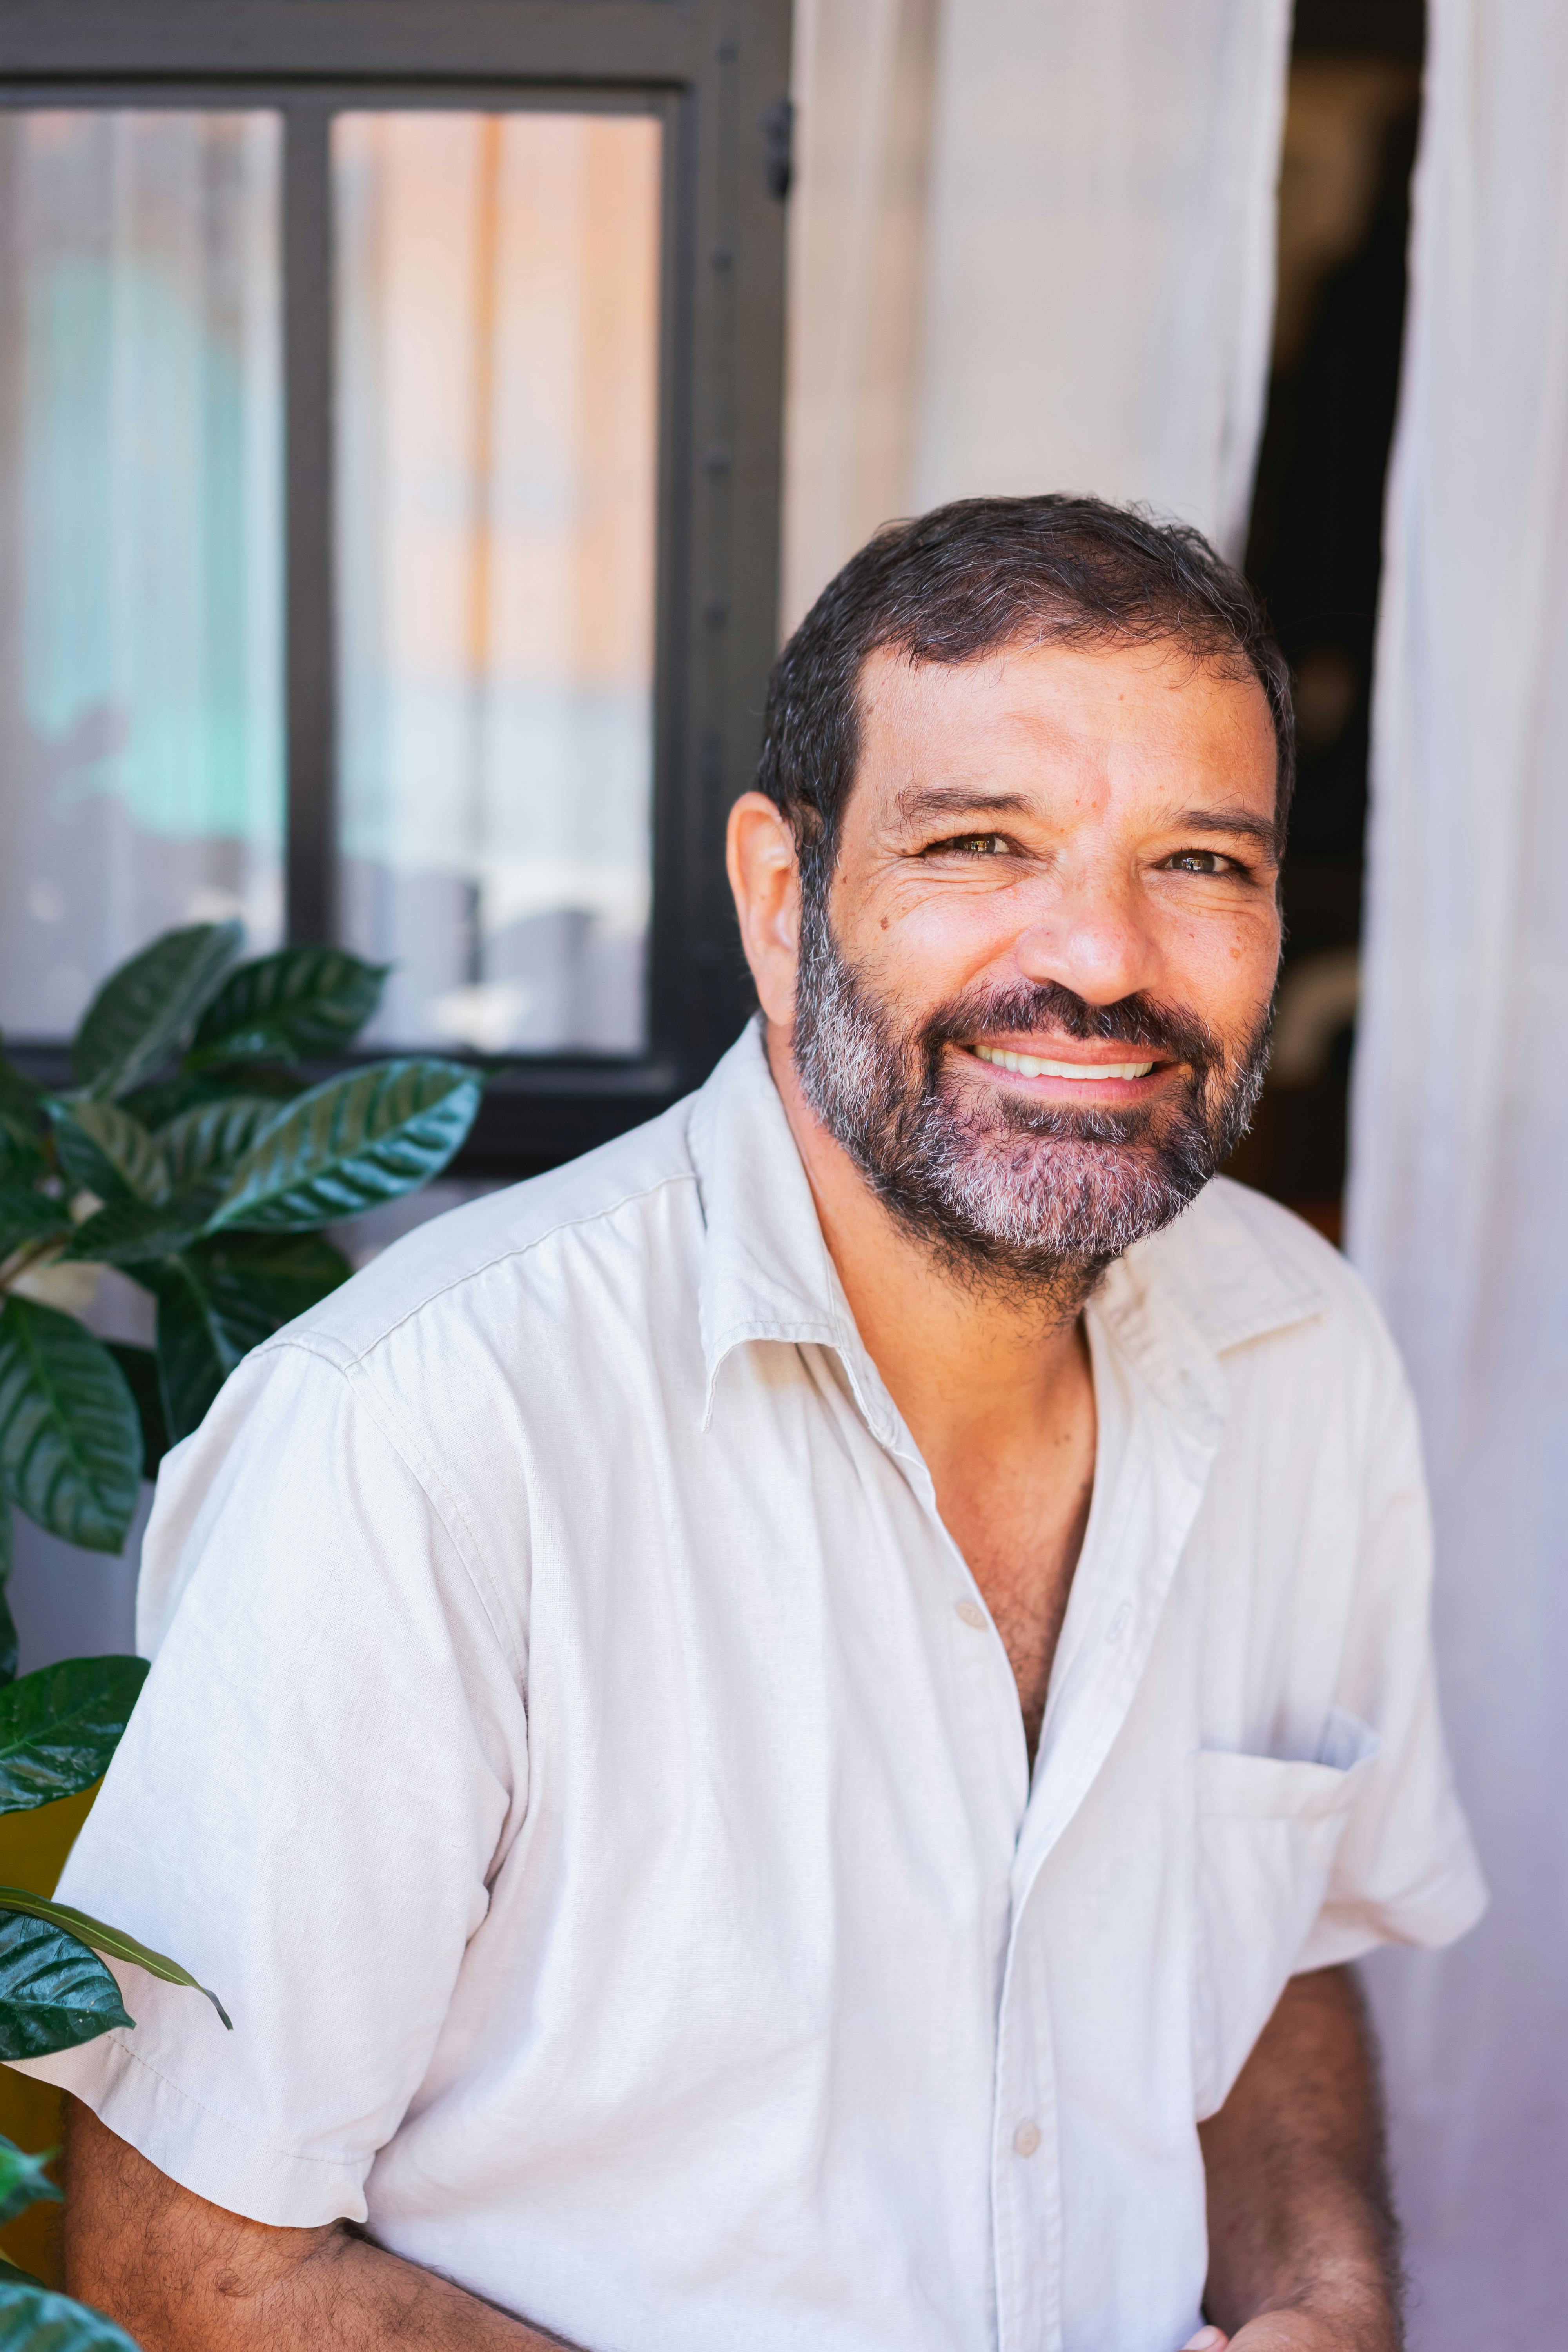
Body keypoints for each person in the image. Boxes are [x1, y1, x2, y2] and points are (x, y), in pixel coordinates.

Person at [15, 497, 1484, 2352]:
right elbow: (188, 2269)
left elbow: (1271, 1962)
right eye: (980, 844)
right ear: (783, 897)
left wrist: (1325, 2305)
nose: (1105, 958)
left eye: (1200, 862)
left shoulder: (1303, 1350)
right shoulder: (425, 1435)